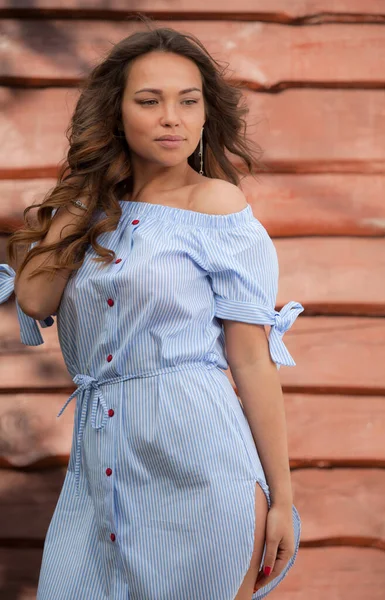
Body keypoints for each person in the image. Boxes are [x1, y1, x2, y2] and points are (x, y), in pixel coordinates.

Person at [1, 19, 304, 600]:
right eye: (149, 101)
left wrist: (283, 498)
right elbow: (37, 298)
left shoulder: (217, 206)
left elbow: (251, 362)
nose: (172, 118)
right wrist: (89, 186)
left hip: (201, 466)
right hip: (103, 465)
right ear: (115, 113)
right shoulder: (92, 211)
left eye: (188, 102)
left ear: (205, 113)